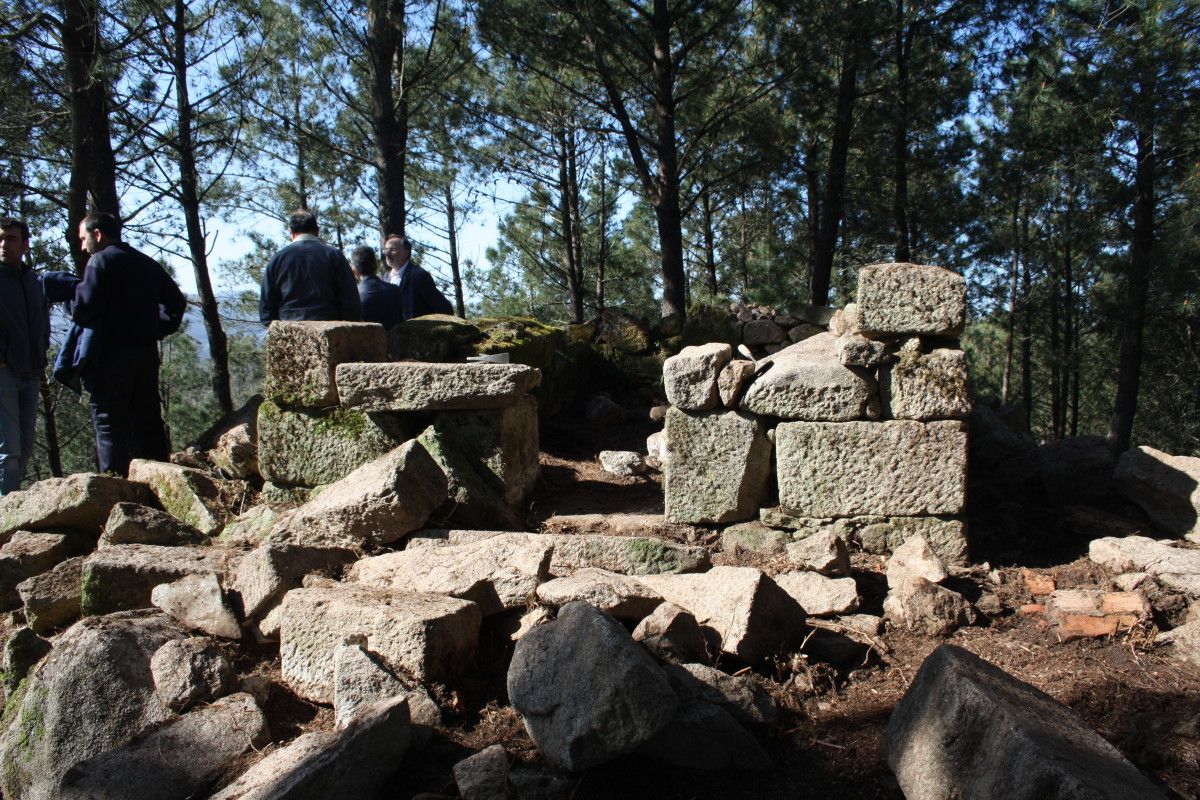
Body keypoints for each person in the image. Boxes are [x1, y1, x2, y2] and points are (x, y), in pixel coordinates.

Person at [73, 211, 187, 476]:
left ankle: (114, 490)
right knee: (147, 421)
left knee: (109, 423)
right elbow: (176, 303)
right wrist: (156, 329)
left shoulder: (100, 261)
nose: (82, 246)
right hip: (145, 354)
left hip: (110, 355)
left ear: (97, 234)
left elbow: (83, 308)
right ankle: (160, 482)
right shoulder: (145, 262)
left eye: (83, 238)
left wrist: (70, 299)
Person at [0, 218, 50, 493]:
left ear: (25, 244)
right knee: (9, 450)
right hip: (4, 372)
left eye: (10, 238)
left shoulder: (34, 281)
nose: (3, 245)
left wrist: (41, 353)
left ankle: (9, 506)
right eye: (0, 239)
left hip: (30, 372)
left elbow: (43, 320)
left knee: (26, 445)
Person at [259, 209, 362, 324]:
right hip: (330, 332)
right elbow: (350, 302)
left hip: (290, 332)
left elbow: (267, 310)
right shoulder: (334, 256)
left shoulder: (277, 259)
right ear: (317, 231)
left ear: (291, 232)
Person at [381, 235, 454, 321]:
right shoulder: (384, 278)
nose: (387, 254)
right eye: (386, 250)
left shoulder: (418, 276)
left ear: (406, 253)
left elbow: (445, 309)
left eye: (393, 250)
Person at [350, 245, 403, 330]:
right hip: (396, 341)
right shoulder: (395, 290)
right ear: (376, 265)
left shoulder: (353, 295)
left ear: (354, 270)